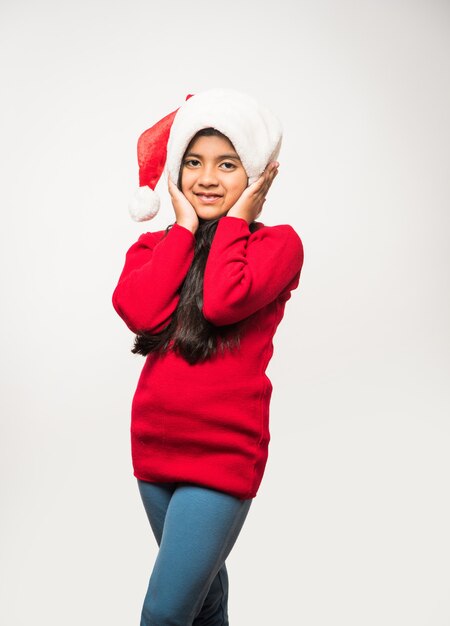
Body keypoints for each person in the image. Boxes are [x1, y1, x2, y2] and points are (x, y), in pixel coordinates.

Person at [112, 88, 305, 625]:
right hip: (154, 450)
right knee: (205, 603)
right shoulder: (153, 249)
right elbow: (143, 313)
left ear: (259, 175)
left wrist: (239, 220)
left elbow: (223, 301)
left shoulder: (278, 246)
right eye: (193, 162)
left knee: (165, 611)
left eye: (227, 164)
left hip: (221, 456)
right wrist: (182, 230)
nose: (207, 178)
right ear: (176, 170)